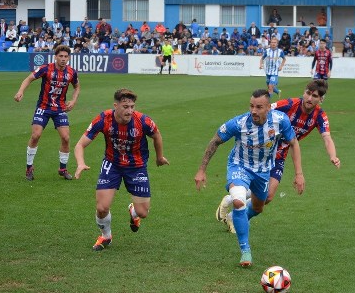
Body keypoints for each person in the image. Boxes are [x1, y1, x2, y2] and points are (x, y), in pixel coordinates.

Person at [194, 89, 304, 267]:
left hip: (263, 170)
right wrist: (201, 170)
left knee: (259, 207)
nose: (254, 111)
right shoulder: (238, 123)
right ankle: (245, 251)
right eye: (252, 106)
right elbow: (215, 140)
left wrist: (299, 174)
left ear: (268, 108)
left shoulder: (280, 121)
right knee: (239, 200)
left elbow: (294, 143)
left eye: (259, 107)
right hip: (239, 166)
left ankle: (235, 218)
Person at [215, 80, 340, 233]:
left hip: (279, 156)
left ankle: (232, 211)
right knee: (255, 186)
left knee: (268, 197)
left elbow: (327, 137)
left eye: (314, 96)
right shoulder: (289, 104)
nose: (309, 98)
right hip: (262, 151)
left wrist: (333, 156)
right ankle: (236, 207)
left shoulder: (319, 116)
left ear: (321, 99)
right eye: (307, 93)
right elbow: (263, 111)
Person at [74, 89, 169, 251]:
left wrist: (159, 157)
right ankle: (106, 236)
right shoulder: (104, 119)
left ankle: (133, 211)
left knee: (143, 212)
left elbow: (157, 135)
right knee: (102, 207)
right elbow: (80, 144)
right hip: (112, 164)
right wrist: (80, 163)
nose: (130, 110)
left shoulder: (143, 121)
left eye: (132, 106)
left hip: (136, 166)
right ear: (115, 105)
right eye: (125, 106)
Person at [14, 45, 81, 181]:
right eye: (60, 56)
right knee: (35, 135)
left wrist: (73, 101)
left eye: (65, 56)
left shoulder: (71, 72)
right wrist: (20, 91)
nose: (63, 59)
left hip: (60, 108)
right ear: (55, 57)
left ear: (69, 58)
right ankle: (29, 168)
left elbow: (77, 86)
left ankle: (62, 168)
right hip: (43, 107)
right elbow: (29, 79)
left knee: (66, 138)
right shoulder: (46, 68)